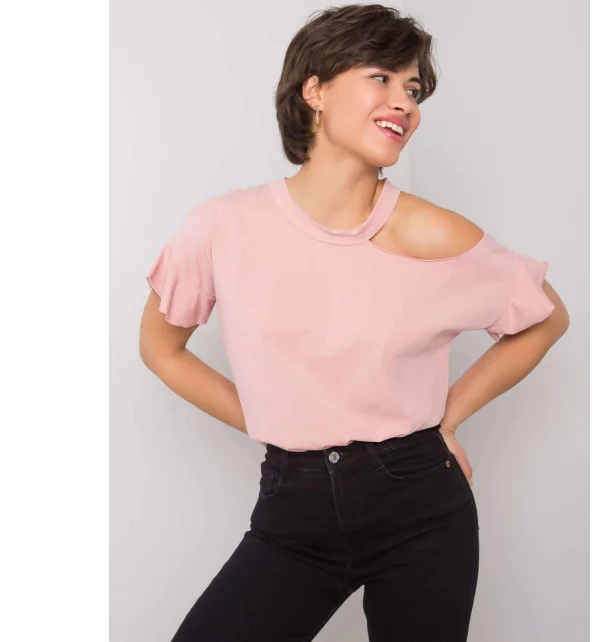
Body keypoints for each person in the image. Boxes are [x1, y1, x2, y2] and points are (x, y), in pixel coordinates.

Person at [139, 4, 569, 641]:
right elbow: (161, 349)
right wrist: (269, 418)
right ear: (314, 90)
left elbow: (546, 317)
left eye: (413, 89)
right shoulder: (222, 226)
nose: (404, 103)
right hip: (292, 512)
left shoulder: (431, 231)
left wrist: (448, 419)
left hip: (422, 507)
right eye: (381, 77)